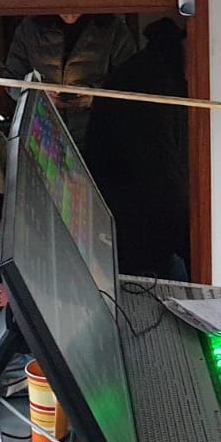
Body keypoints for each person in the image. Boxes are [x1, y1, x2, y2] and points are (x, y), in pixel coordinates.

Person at [84, 17, 190, 280]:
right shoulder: (146, 84)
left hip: (140, 232)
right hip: (131, 243)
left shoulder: (162, 69)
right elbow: (165, 184)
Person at [5, 12, 136, 147]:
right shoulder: (31, 27)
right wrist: (38, 97)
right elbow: (11, 79)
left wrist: (97, 97)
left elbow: (131, 81)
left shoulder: (113, 28)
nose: (70, 14)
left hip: (97, 128)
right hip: (43, 130)